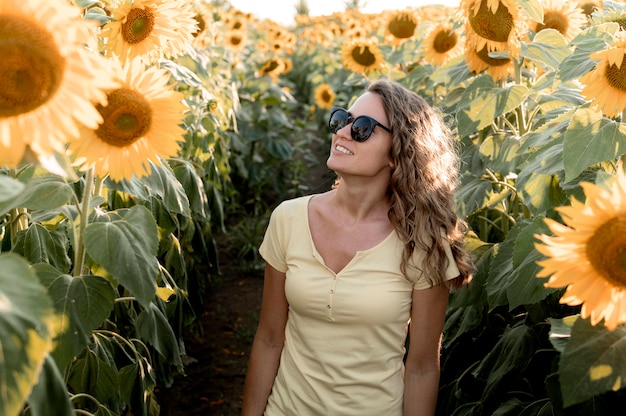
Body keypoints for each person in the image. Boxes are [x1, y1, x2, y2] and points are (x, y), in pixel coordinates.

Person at [241, 78, 474, 416]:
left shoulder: (420, 242)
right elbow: (268, 338)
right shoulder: (288, 219)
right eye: (341, 119)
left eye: (363, 128)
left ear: (398, 154)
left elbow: (422, 366)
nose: (343, 132)